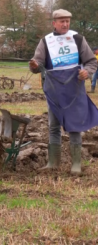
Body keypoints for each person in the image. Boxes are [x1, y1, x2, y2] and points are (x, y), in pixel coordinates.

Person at [29, 9, 98, 175]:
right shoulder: (46, 41)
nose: (65, 24)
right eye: (62, 21)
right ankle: (53, 162)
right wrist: (34, 65)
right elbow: (37, 63)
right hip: (54, 91)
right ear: (54, 23)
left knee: (74, 126)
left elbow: (91, 62)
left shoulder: (78, 39)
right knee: (53, 126)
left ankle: (76, 164)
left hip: (74, 90)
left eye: (67, 21)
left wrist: (87, 72)